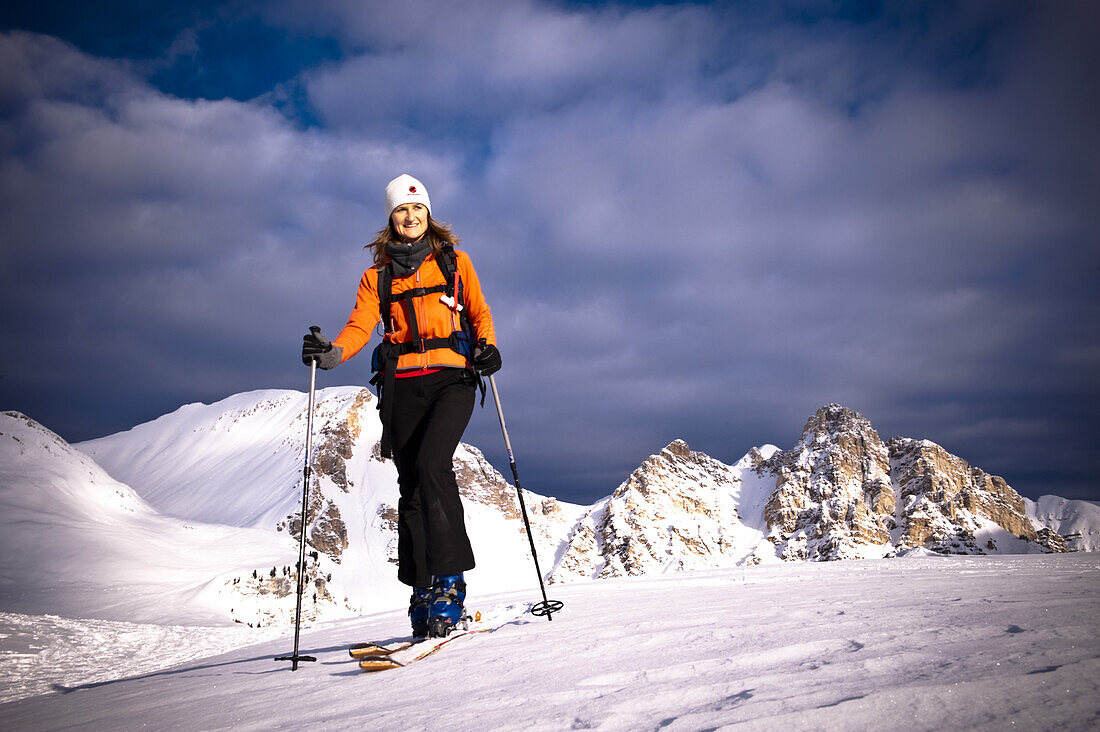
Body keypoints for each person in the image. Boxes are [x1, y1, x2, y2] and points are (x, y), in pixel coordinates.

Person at [301, 174, 501, 638]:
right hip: (401, 385)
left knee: (433, 466)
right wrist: (331, 353)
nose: (410, 217)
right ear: (390, 219)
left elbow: (478, 313)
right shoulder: (377, 276)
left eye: (418, 209)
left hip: (453, 378)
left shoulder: (455, 262)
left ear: (428, 214)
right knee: (410, 487)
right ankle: (421, 590)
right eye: (400, 211)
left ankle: (450, 585)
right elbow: (360, 325)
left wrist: (488, 347)